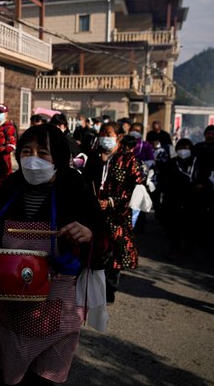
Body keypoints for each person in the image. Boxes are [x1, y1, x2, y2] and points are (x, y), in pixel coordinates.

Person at [0, 123, 102, 386]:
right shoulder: (11, 185)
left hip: (57, 302)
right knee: (8, 375)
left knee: (46, 377)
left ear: (59, 157)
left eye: (43, 153)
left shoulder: (74, 188)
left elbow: (103, 238)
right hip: (9, 300)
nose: (33, 160)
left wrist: (88, 233)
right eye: (26, 152)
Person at [83, 122, 142, 304]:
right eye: (102, 133)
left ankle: (109, 290)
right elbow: (85, 181)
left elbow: (136, 186)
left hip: (117, 216)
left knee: (114, 254)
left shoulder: (128, 159)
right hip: (93, 213)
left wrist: (111, 202)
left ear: (119, 137)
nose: (104, 137)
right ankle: (91, 288)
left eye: (108, 134)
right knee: (94, 250)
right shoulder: (93, 156)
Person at [159, 138, 206, 260]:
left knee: (190, 226)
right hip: (173, 199)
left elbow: (204, 178)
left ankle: (188, 248)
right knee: (174, 227)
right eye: (180, 148)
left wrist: (200, 185)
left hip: (192, 200)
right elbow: (163, 180)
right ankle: (174, 249)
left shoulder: (198, 163)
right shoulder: (171, 163)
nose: (183, 151)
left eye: (186, 148)